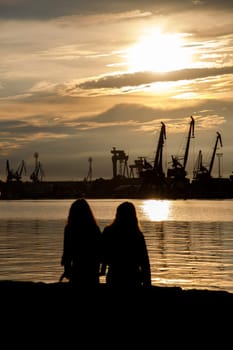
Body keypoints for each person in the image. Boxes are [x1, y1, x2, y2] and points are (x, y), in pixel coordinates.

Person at [100, 201, 151, 288]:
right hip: (133, 277)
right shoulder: (137, 234)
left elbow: (102, 255)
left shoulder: (108, 231)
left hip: (114, 275)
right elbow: (144, 261)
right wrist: (147, 283)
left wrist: (103, 269)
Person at [60, 198, 101, 287]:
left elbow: (67, 251)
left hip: (77, 269)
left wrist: (67, 270)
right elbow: (99, 251)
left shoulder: (69, 228)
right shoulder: (94, 228)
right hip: (92, 269)